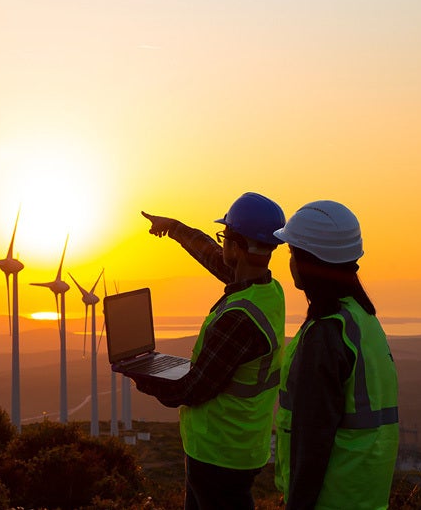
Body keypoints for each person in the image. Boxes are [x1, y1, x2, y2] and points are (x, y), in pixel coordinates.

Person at [129, 192, 287, 510]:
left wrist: (143, 374)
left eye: (225, 236)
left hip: (219, 452)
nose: (222, 243)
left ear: (239, 246)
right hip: (240, 446)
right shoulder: (268, 290)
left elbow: (193, 388)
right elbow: (213, 256)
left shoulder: (239, 319)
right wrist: (173, 227)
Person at [272, 200, 399, 510]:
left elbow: (312, 445)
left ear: (309, 262)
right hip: (364, 498)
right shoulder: (363, 320)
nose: (289, 263)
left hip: (330, 500)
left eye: (292, 253)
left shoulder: (326, 336)